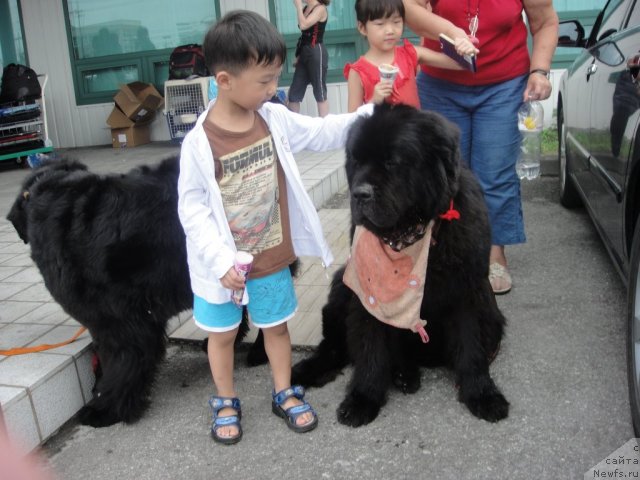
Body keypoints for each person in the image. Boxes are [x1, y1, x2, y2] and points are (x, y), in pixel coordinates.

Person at [178, 10, 372, 445]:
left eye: (275, 79)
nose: (273, 89)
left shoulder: (273, 119)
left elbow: (323, 132)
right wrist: (218, 258)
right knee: (223, 335)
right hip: (221, 267)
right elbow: (191, 209)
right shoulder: (199, 142)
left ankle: (283, 390)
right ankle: (226, 399)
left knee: (277, 327)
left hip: (268, 257)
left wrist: (369, 114)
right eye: (264, 81)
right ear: (225, 80)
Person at [403, 0, 559, 295]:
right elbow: (408, 10)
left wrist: (540, 71)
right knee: (444, 174)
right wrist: (450, 31)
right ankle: (441, 251)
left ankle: (494, 253)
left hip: (503, 84)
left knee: (494, 173)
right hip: (441, 82)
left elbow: (545, 22)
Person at [345, 0, 461, 112]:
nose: (390, 30)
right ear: (362, 28)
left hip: (414, 131)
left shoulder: (410, 54)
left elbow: (458, 63)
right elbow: (351, 121)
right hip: (380, 132)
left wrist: (463, 46)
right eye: (380, 24)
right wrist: (373, 102)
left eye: (396, 22)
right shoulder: (357, 72)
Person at [287, 0, 331, 117]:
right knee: (294, 93)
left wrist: (298, 7)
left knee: (320, 91)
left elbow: (303, 25)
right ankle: (293, 126)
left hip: (317, 51)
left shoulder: (320, 8)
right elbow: (304, 34)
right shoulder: (306, 8)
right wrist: (299, 55)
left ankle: (325, 126)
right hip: (304, 52)